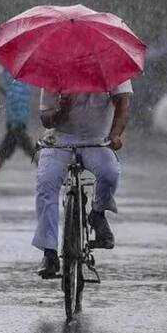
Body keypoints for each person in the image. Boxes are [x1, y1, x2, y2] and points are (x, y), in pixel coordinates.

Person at [34, 81, 132, 277]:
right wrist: (61, 112)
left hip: (97, 140)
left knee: (110, 173)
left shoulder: (111, 67)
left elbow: (123, 104)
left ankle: (97, 213)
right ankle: (49, 252)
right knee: (46, 183)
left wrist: (115, 135)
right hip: (61, 140)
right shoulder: (56, 70)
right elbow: (45, 119)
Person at [0, 62, 37, 187]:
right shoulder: (20, 82)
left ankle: (49, 177)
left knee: (30, 152)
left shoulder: (15, 81)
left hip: (16, 125)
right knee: (8, 152)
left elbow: (14, 98)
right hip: (16, 124)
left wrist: (14, 123)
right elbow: (10, 95)